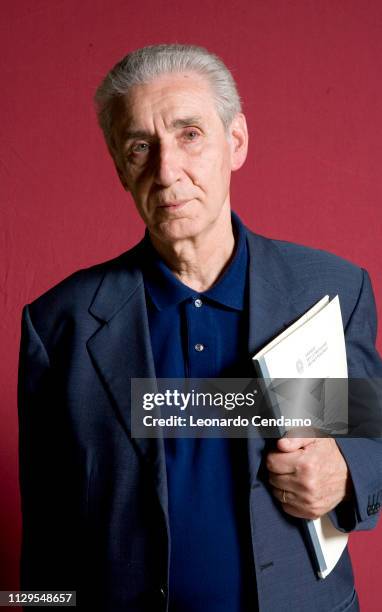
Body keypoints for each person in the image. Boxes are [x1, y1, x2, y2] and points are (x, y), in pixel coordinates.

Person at [18, 44, 382, 612]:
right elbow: (45, 535)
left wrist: (347, 472)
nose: (167, 171)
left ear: (235, 142)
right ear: (120, 165)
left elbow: (370, 436)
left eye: (190, 134)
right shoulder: (57, 325)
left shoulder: (329, 290)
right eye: (141, 146)